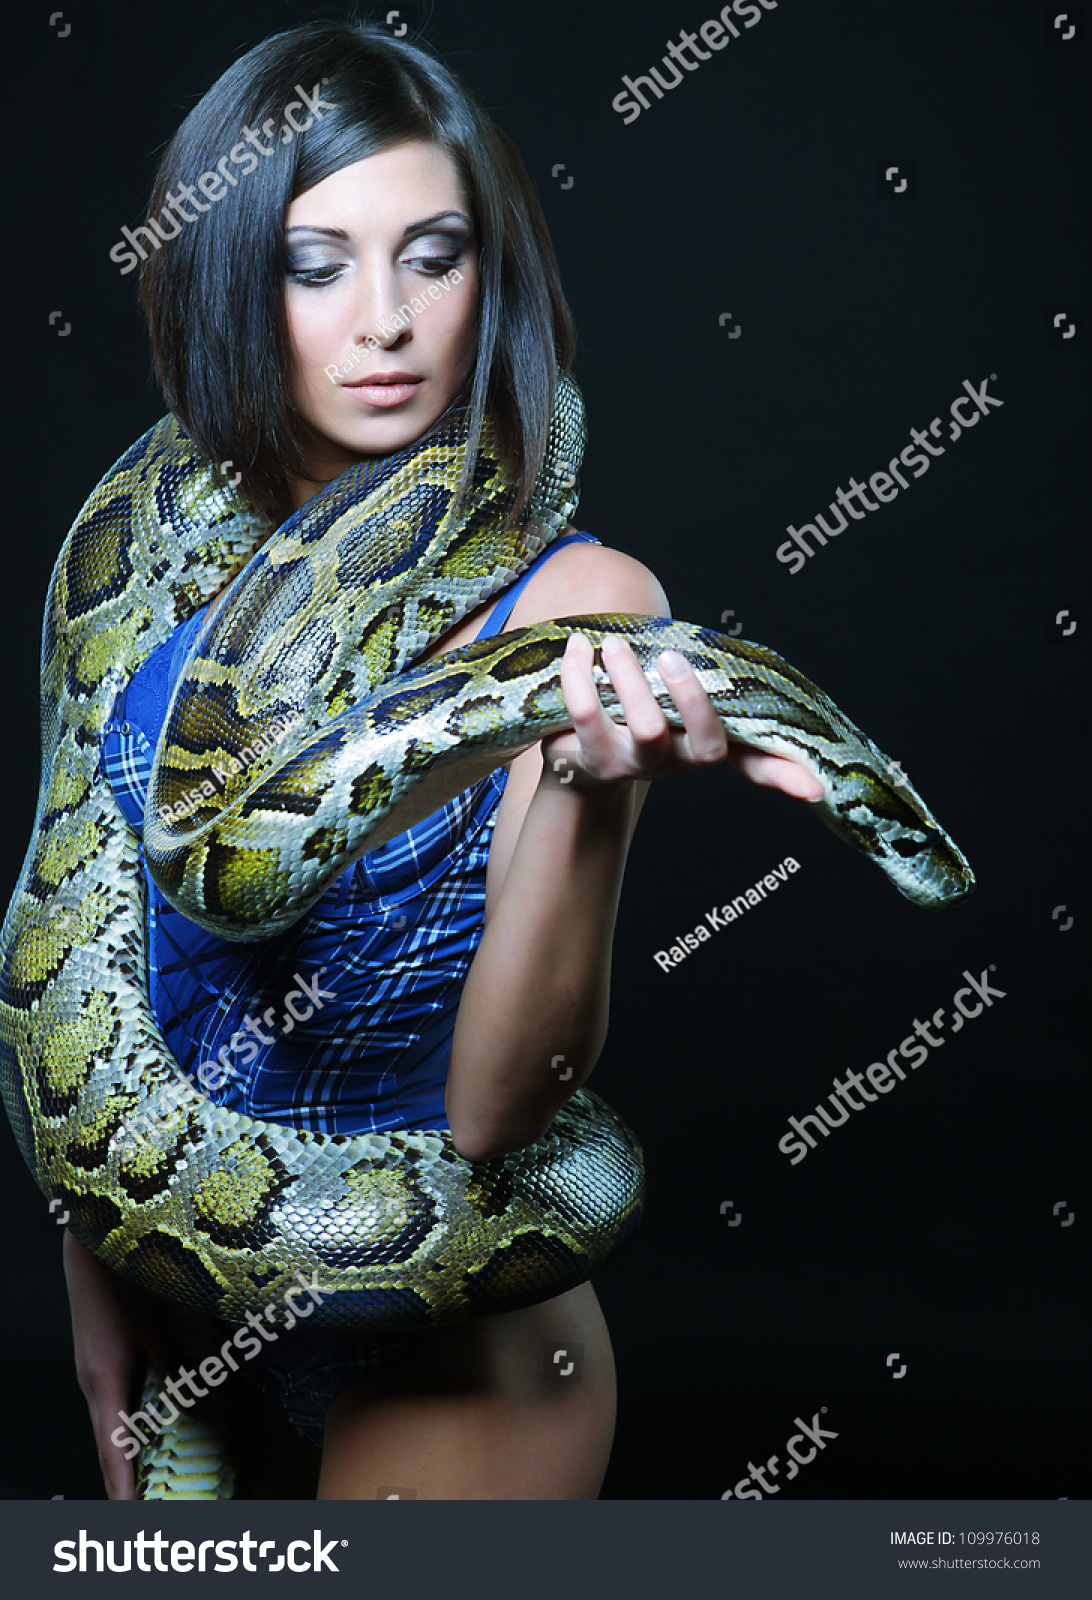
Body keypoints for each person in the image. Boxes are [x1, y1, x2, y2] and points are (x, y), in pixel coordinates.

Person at [64, 18, 824, 1502]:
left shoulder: (583, 613)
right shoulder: (143, 568)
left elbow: (495, 1114)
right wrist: (93, 1274)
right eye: (316, 261)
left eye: (432, 253)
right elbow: (73, 938)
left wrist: (585, 795)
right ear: (232, 277)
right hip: (183, 1287)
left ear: (492, 270)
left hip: (458, 1329)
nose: (389, 322)